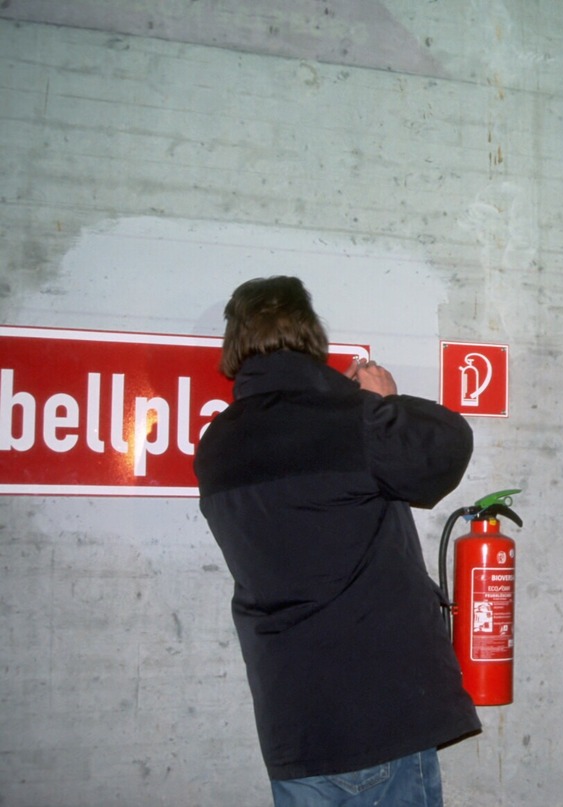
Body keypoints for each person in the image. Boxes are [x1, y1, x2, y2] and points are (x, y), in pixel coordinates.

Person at [194, 276, 480, 806]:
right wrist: (384, 402)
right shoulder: (352, 421)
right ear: (310, 334)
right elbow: (445, 448)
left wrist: (348, 402)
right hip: (380, 716)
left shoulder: (216, 445)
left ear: (235, 344)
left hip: (294, 728)